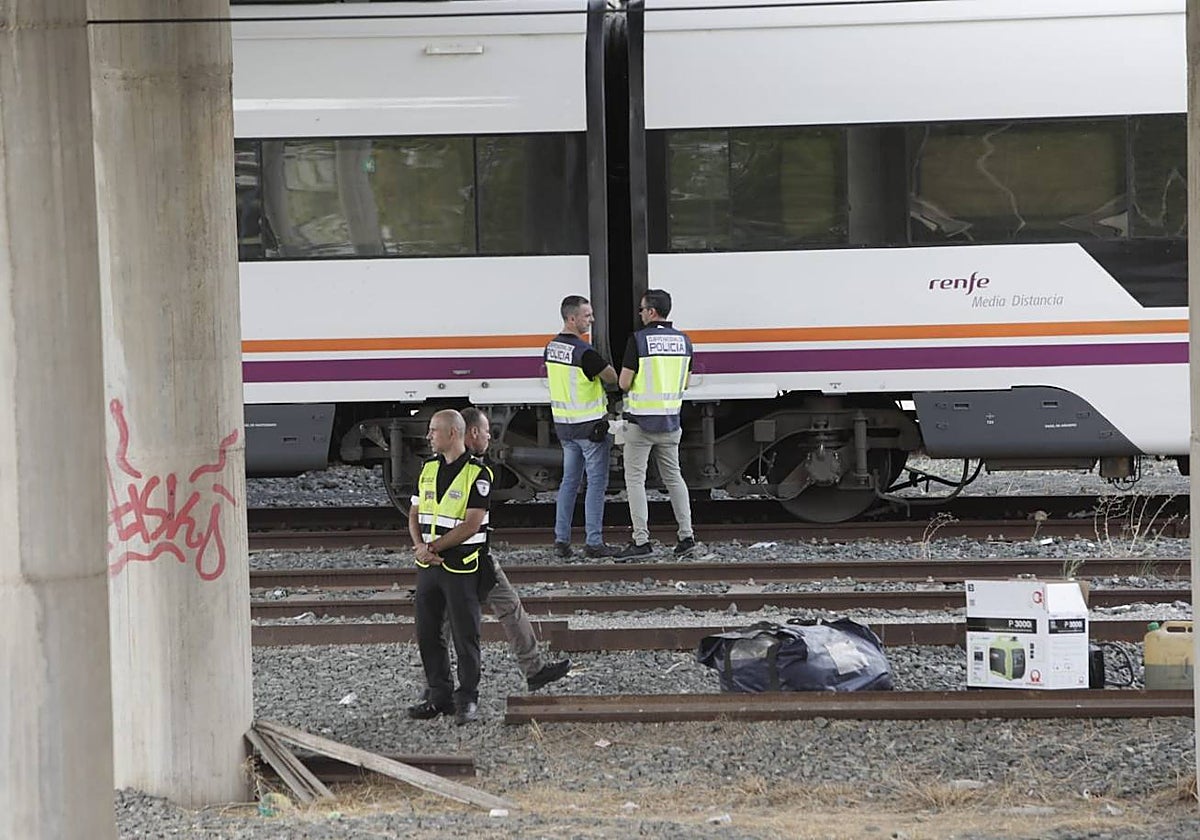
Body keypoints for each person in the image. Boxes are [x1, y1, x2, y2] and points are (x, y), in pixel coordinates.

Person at [460, 406, 572, 691]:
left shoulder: (439, 468)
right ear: (473, 434)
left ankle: (533, 670)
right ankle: (440, 689)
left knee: (506, 607)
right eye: (486, 431)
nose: (489, 437)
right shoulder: (469, 471)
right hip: (459, 560)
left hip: (470, 555)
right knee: (451, 623)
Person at [405, 409, 490, 725]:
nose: (428, 436)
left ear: (452, 434)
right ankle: (439, 696)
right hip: (428, 566)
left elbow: (471, 524)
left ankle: (467, 697)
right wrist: (420, 548)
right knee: (427, 633)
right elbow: (413, 513)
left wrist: (433, 548)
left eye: (433, 430)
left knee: (465, 634)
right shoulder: (427, 469)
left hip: (461, 567)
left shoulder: (478, 474)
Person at [615, 289, 699, 560]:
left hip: (640, 424)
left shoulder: (638, 340)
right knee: (674, 478)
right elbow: (685, 382)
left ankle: (642, 541)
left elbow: (624, 383)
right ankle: (687, 537)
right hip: (671, 423)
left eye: (642, 309)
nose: (640, 314)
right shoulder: (684, 341)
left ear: (651, 312)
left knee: (636, 481)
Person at [544, 295, 621, 558]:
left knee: (569, 483)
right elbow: (611, 377)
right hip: (589, 428)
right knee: (596, 485)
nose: (592, 320)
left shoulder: (551, 347)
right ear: (571, 318)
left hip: (564, 427)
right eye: (587, 315)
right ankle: (594, 542)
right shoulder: (584, 353)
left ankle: (561, 541)